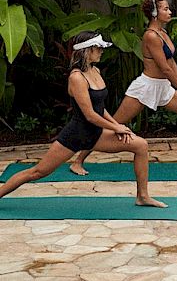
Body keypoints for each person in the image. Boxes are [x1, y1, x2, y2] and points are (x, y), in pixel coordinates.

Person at [0, 32, 166, 207]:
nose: (101, 51)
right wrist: (116, 128)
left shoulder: (95, 70)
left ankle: (142, 196)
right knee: (38, 172)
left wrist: (117, 125)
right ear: (87, 50)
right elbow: (89, 114)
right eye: (98, 48)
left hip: (95, 134)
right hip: (77, 134)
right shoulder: (77, 77)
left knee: (141, 145)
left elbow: (100, 108)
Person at [70, 0, 177, 175]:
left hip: (163, 88)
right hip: (146, 88)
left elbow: (172, 63)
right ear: (154, 13)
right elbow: (165, 69)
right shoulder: (151, 36)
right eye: (165, 9)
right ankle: (78, 161)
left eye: (168, 8)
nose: (169, 12)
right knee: (113, 124)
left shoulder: (163, 33)